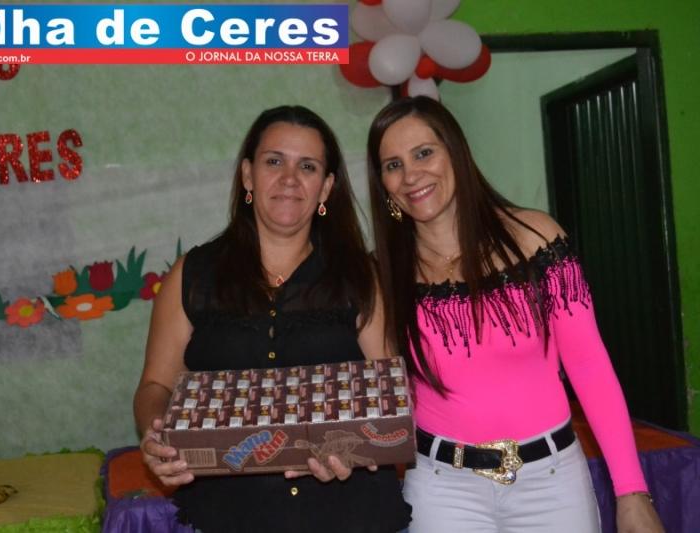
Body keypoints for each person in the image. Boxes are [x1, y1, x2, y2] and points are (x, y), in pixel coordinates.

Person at [366, 96, 664, 533]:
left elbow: (588, 364)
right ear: (383, 184)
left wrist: (632, 492)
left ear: (456, 153)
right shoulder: (380, 274)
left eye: (424, 153)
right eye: (393, 165)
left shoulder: (535, 238)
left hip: (552, 484)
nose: (411, 175)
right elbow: (384, 392)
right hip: (441, 489)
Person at [134, 105, 412, 533]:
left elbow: (390, 396)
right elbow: (156, 385)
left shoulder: (361, 275)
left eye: (308, 166)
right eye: (274, 161)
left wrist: (358, 448)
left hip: (348, 515)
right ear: (248, 175)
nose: (289, 178)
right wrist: (156, 436)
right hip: (229, 517)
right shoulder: (192, 275)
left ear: (326, 187)